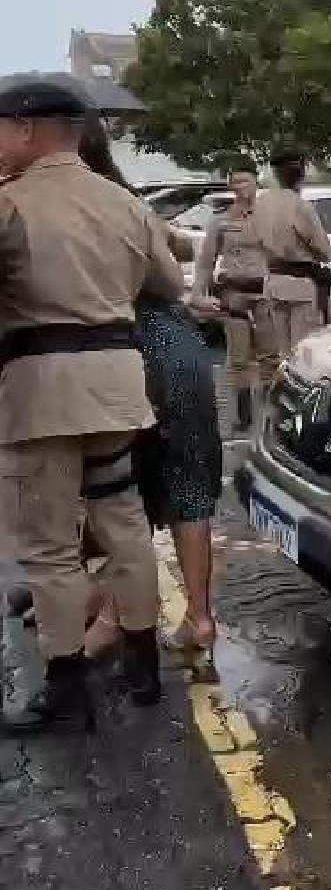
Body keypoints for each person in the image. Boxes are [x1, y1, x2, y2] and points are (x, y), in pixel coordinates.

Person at [0, 74, 184, 735]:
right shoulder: (125, 204)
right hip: (118, 386)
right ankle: (142, 669)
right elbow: (170, 282)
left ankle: (66, 690)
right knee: (123, 523)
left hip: (44, 390)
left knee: (49, 546)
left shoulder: (11, 203)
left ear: (24, 129)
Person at [76, 117, 223, 657]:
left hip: (126, 353)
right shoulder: (128, 201)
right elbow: (177, 264)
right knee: (188, 485)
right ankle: (200, 619)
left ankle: (111, 613)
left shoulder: (65, 204)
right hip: (179, 348)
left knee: (118, 489)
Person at [191, 161, 267, 431]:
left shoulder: (270, 216)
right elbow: (206, 261)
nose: (240, 187)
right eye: (235, 182)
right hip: (235, 293)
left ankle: (272, 416)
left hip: (266, 293)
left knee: (271, 357)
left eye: (245, 181)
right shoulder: (222, 220)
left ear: (256, 181)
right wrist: (199, 293)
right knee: (238, 357)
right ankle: (242, 415)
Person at [253, 148, 331, 371]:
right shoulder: (300, 206)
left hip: (273, 281)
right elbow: (324, 251)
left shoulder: (261, 203)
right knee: (302, 353)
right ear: (300, 173)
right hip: (300, 283)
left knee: (283, 353)